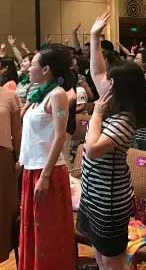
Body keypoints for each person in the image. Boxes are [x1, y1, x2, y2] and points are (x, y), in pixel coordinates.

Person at [77, 11, 146, 270]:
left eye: (110, 81)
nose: (105, 83)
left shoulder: (124, 120)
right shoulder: (115, 102)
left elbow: (92, 149)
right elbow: (97, 70)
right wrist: (94, 36)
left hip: (109, 201)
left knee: (112, 260)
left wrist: (97, 114)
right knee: (100, 254)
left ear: (121, 89)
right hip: (93, 194)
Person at [18, 45, 76, 270]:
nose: (28, 68)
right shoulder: (37, 94)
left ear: (46, 70)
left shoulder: (58, 96)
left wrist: (45, 175)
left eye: (32, 64)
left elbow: (60, 136)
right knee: (33, 229)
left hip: (47, 171)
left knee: (48, 232)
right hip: (31, 168)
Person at [0, 86, 20, 264]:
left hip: (3, 159)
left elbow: (17, 131)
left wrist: (21, 158)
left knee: (3, 210)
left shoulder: (9, 96)